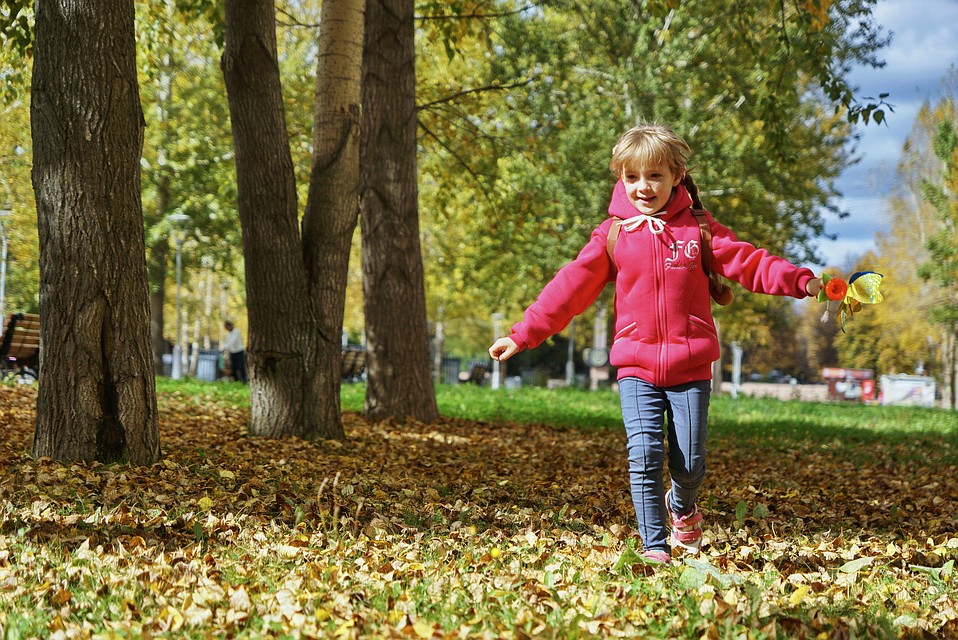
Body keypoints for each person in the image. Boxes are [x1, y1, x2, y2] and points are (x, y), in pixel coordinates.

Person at [489, 123, 823, 565]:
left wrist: (805, 282)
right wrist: (522, 333)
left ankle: (682, 507)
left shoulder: (699, 230)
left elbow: (750, 263)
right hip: (635, 366)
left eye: (654, 176)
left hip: (690, 368)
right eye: (632, 177)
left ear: (676, 176)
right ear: (620, 178)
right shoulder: (612, 235)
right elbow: (569, 288)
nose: (642, 187)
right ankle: (653, 547)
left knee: (690, 464)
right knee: (643, 454)